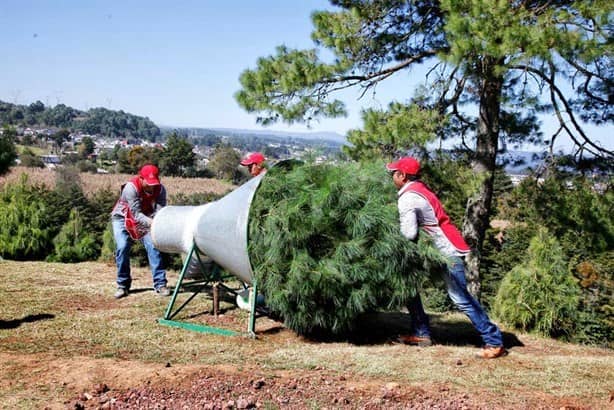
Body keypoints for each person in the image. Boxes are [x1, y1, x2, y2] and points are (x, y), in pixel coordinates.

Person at [387, 156, 507, 359]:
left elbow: (408, 233)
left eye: (393, 173)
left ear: (402, 175)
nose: (392, 177)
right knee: (407, 285)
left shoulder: (408, 197)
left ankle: (493, 340)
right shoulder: (419, 189)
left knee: (460, 298)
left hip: (445, 251)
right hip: (437, 249)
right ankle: (421, 333)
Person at [111, 164, 171, 298]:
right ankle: (123, 285)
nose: (151, 186)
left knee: (153, 245)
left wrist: (157, 221)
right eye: (148, 183)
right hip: (123, 218)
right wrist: (153, 223)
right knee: (122, 247)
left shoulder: (160, 190)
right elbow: (136, 214)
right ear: (141, 178)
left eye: (154, 183)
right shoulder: (130, 188)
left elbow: (160, 210)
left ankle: (160, 284)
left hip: (147, 218)